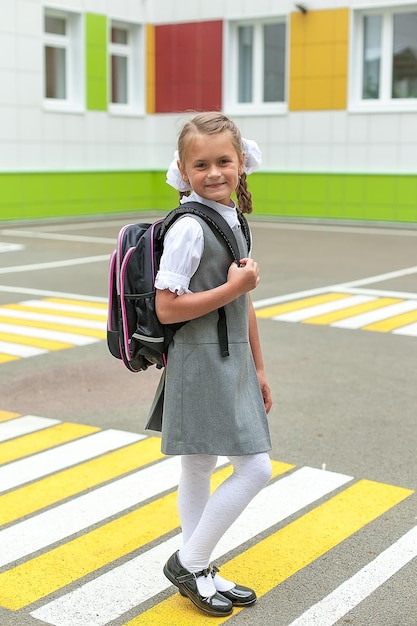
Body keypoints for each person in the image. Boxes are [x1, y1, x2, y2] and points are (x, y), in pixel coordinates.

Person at [151, 112, 273, 618]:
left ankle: (196, 570)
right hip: (200, 362)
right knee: (256, 468)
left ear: (242, 162)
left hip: (230, 360)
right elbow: (166, 308)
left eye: (224, 160)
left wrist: (261, 368)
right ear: (184, 168)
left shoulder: (231, 218)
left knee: (199, 464)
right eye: (201, 164)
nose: (215, 172)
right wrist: (232, 288)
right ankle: (191, 560)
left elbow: (243, 307)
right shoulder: (189, 228)